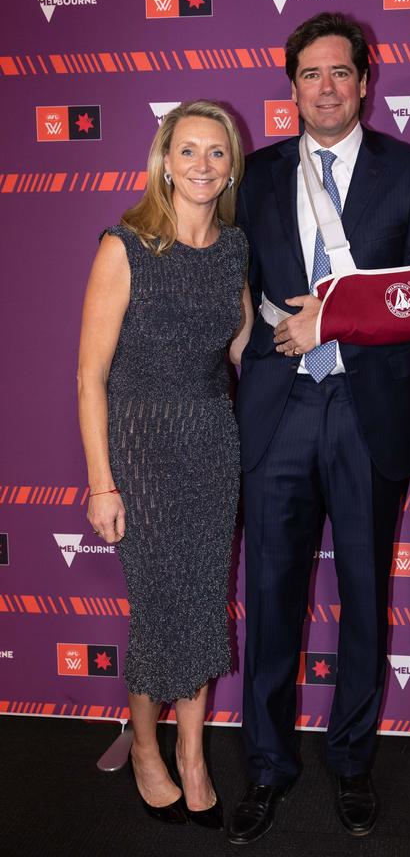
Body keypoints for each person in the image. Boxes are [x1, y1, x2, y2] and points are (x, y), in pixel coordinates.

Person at [228, 11, 410, 844]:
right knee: (272, 599)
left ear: (365, 79)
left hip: (369, 411)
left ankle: (351, 761)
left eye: (340, 73)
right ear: (291, 88)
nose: (326, 87)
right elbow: (232, 287)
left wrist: (332, 319)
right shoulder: (254, 174)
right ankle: (268, 766)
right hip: (276, 412)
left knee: (363, 595)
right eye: (310, 74)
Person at [77, 100, 252, 829]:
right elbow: (90, 376)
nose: (203, 165)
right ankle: (146, 745)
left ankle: (191, 754)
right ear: (164, 160)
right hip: (141, 449)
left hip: (213, 442)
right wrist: (101, 484)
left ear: (231, 165)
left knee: (202, 605)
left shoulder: (236, 248)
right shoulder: (126, 246)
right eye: (189, 151)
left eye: (217, 153)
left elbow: (242, 345)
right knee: (157, 607)